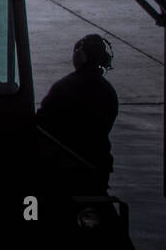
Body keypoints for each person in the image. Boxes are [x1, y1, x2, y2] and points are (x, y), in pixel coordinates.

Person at [36, 34, 118, 194]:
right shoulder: (108, 92)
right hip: (97, 165)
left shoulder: (63, 87)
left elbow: (41, 121)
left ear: (79, 57)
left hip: (62, 167)